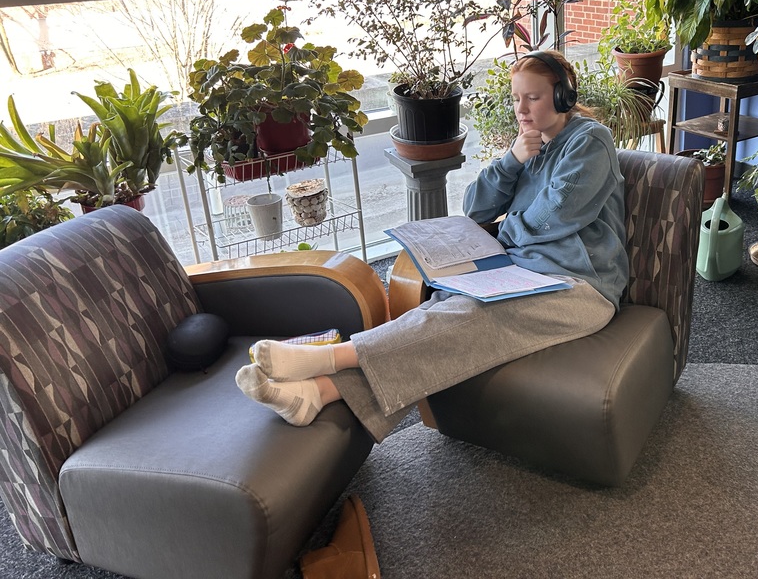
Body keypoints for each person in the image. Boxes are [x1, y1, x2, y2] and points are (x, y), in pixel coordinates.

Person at [235, 50, 628, 441]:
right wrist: (511, 160)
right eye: (515, 98)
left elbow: (556, 215)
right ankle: (316, 394)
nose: (521, 109)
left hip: (580, 287)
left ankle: (324, 359)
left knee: (468, 317)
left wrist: (506, 236)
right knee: (444, 307)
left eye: (534, 98)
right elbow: (475, 208)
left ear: (563, 96)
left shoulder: (590, 141)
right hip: (522, 274)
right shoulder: (529, 143)